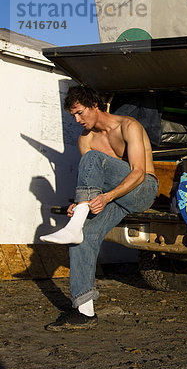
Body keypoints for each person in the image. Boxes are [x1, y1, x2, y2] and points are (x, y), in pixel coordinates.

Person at [41, 86, 158, 331]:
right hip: (112, 196)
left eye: (80, 113)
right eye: (73, 115)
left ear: (95, 105)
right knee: (83, 237)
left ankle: (76, 222)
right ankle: (84, 310)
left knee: (93, 159)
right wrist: (80, 203)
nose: (77, 120)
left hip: (142, 190)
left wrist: (105, 198)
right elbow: (89, 181)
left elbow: (138, 173)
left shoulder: (128, 126)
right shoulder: (86, 138)